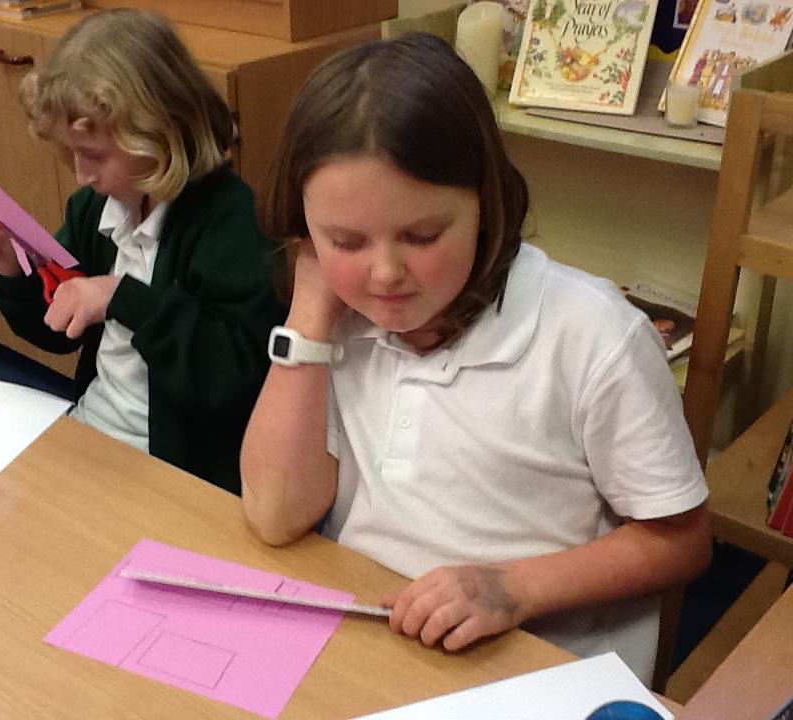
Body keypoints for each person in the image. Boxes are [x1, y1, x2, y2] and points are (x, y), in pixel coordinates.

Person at [240, 32, 710, 683]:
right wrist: (308, 320)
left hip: (536, 668)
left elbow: (683, 542)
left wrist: (513, 588)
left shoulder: (592, 336)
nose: (384, 273)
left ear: (485, 204)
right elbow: (274, 514)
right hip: (373, 644)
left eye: (422, 235)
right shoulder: (340, 320)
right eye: (344, 241)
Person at [0, 9, 283, 495]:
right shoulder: (96, 208)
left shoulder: (233, 221)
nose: (81, 174)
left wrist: (122, 299)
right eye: (73, 153)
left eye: (94, 155)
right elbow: (58, 330)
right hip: (95, 431)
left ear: (160, 133)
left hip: (180, 471)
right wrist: (13, 269)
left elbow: (236, 379)